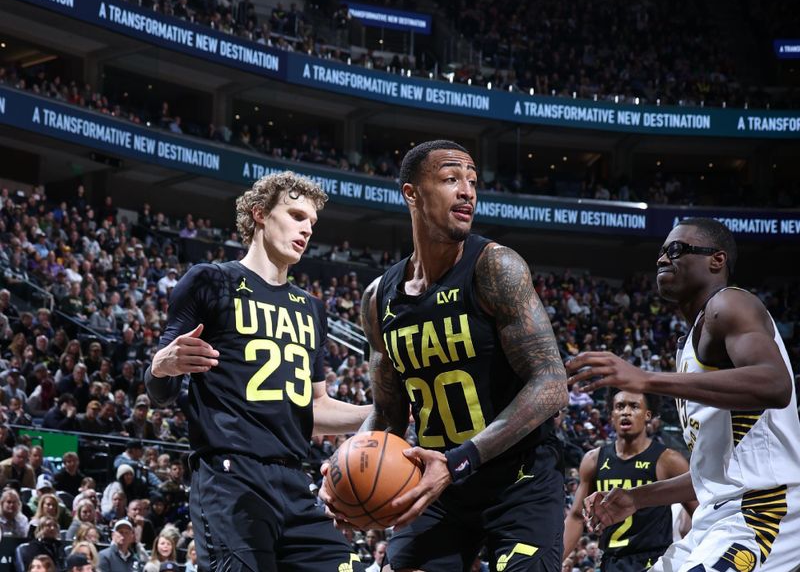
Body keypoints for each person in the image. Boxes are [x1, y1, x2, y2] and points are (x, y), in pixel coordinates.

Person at [322, 140, 569, 571]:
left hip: (518, 478)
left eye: (473, 181)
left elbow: (551, 383)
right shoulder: (378, 298)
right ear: (411, 194)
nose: (468, 191)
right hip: (439, 486)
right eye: (452, 179)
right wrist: (343, 471)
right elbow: (388, 414)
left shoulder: (496, 268)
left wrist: (459, 461)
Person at [145, 172, 371, 571]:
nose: (307, 229)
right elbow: (159, 391)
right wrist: (162, 365)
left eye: (312, 223)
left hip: (296, 483)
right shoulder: (210, 280)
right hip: (230, 480)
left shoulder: (311, 307)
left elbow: (313, 408)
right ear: (260, 214)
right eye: (297, 215)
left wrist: (379, 413)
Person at [570, 218, 800, 571]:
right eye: (661, 252)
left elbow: (776, 385)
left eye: (677, 250)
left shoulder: (730, 304)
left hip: (764, 509)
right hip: (716, 518)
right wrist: (637, 497)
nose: (663, 258)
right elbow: (711, 471)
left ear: (716, 261)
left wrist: (646, 379)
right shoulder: (688, 348)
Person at [562, 391, 696, 570]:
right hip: (610, 561)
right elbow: (577, 517)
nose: (626, 412)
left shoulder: (669, 460)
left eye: (634, 406)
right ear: (611, 415)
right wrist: (553, 560)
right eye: (619, 406)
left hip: (654, 562)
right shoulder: (593, 460)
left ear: (647, 415)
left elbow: (700, 512)